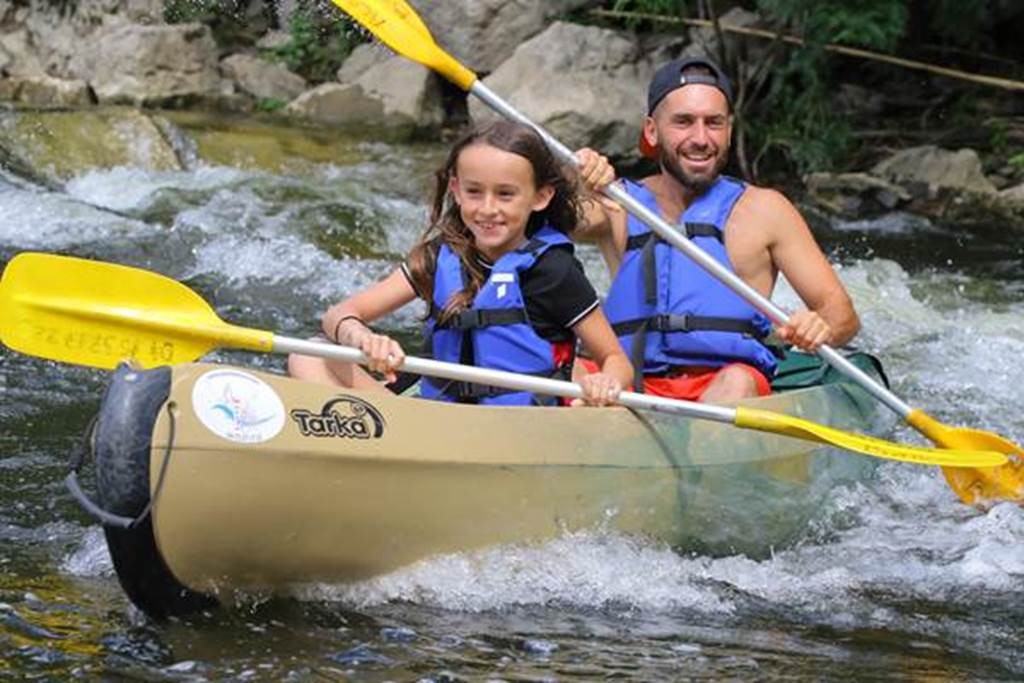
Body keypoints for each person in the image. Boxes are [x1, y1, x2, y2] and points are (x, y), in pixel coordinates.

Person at [574, 56, 860, 403]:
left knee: (737, 382)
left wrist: (820, 326)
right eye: (683, 122)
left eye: (714, 123)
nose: (701, 138)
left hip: (723, 386)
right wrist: (575, 179)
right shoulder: (615, 204)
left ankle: (698, 451)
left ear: (729, 130)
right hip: (630, 383)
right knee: (568, 369)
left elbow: (842, 314)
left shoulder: (766, 210)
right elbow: (527, 223)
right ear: (652, 130)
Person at [288, 120, 632, 407]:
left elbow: (617, 361)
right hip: (434, 420)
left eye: (506, 194)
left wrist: (607, 383)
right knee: (310, 354)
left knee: (580, 376)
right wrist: (362, 338)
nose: (487, 208)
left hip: (519, 427)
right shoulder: (439, 256)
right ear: (455, 189)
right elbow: (338, 314)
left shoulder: (552, 272)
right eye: (474, 191)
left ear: (541, 197)